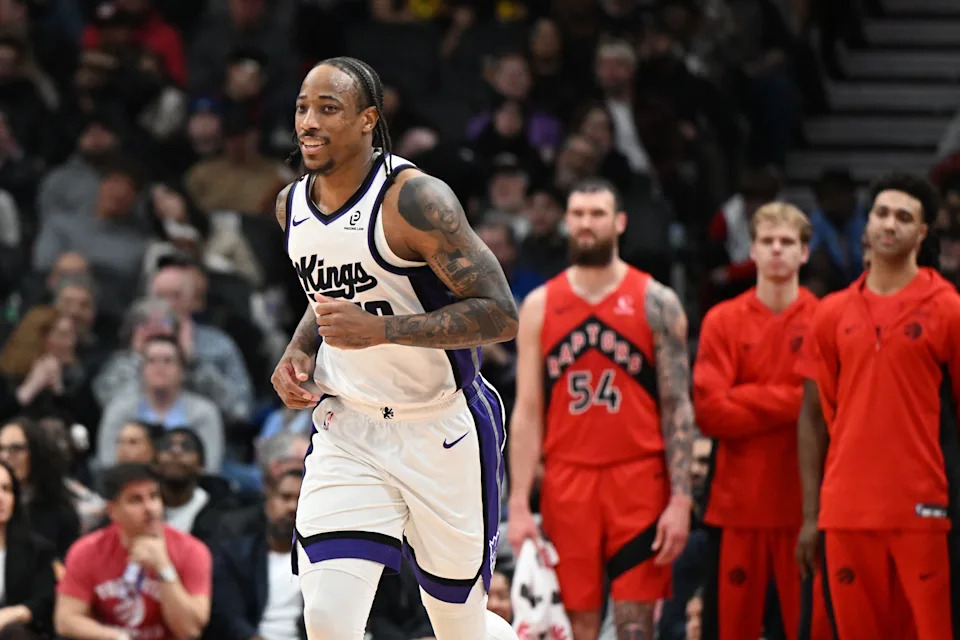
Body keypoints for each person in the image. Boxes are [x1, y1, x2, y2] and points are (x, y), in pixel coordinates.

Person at [269, 56, 520, 640]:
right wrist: (299, 349)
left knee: (458, 626)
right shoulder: (290, 206)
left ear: (367, 120)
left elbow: (501, 314)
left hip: (440, 430)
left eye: (328, 108)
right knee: (327, 619)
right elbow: (331, 287)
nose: (309, 121)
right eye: (303, 107)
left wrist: (380, 332)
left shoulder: (414, 201)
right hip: (347, 429)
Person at [506, 177, 694, 639]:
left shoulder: (657, 301)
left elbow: (678, 407)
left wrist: (682, 498)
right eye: (579, 214)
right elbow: (528, 409)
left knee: (635, 626)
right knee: (576, 625)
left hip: (640, 480)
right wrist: (517, 502)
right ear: (567, 222)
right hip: (567, 482)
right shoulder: (540, 305)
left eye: (598, 214)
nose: (587, 224)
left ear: (620, 222)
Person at [796, 172, 960, 639]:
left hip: (923, 509)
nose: (890, 225)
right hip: (846, 510)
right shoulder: (830, 312)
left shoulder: (948, 308)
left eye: (904, 217)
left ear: (923, 232)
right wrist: (811, 514)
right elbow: (815, 418)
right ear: (867, 223)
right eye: (882, 213)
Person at [692, 202, 817, 640]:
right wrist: (794, 402)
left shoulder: (826, 319)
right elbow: (710, 412)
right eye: (768, 241)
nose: (777, 250)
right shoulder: (722, 320)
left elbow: (828, 412)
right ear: (754, 251)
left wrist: (744, 396)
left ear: (805, 252)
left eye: (787, 242)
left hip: (804, 510)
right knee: (729, 631)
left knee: (805, 631)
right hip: (736, 506)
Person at [54, 462, 212, 640]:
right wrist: (115, 637)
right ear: (113, 510)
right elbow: (66, 620)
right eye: (136, 500)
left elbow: (190, 630)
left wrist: (163, 568)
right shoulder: (86, 550)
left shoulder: (193, 551)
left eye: (154, 497)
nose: (150, 508)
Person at [208, 469, 305, 640]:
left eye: (300, 499)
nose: (292, 507)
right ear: (268, 504)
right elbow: (229, 616)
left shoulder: (323, 563)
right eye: (285, 497)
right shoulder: (236, 555)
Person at [0, 459, 57, 639]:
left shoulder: (37, 549)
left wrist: (12, 614)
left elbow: (45, 602)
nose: (1, 497)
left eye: (7, 489)